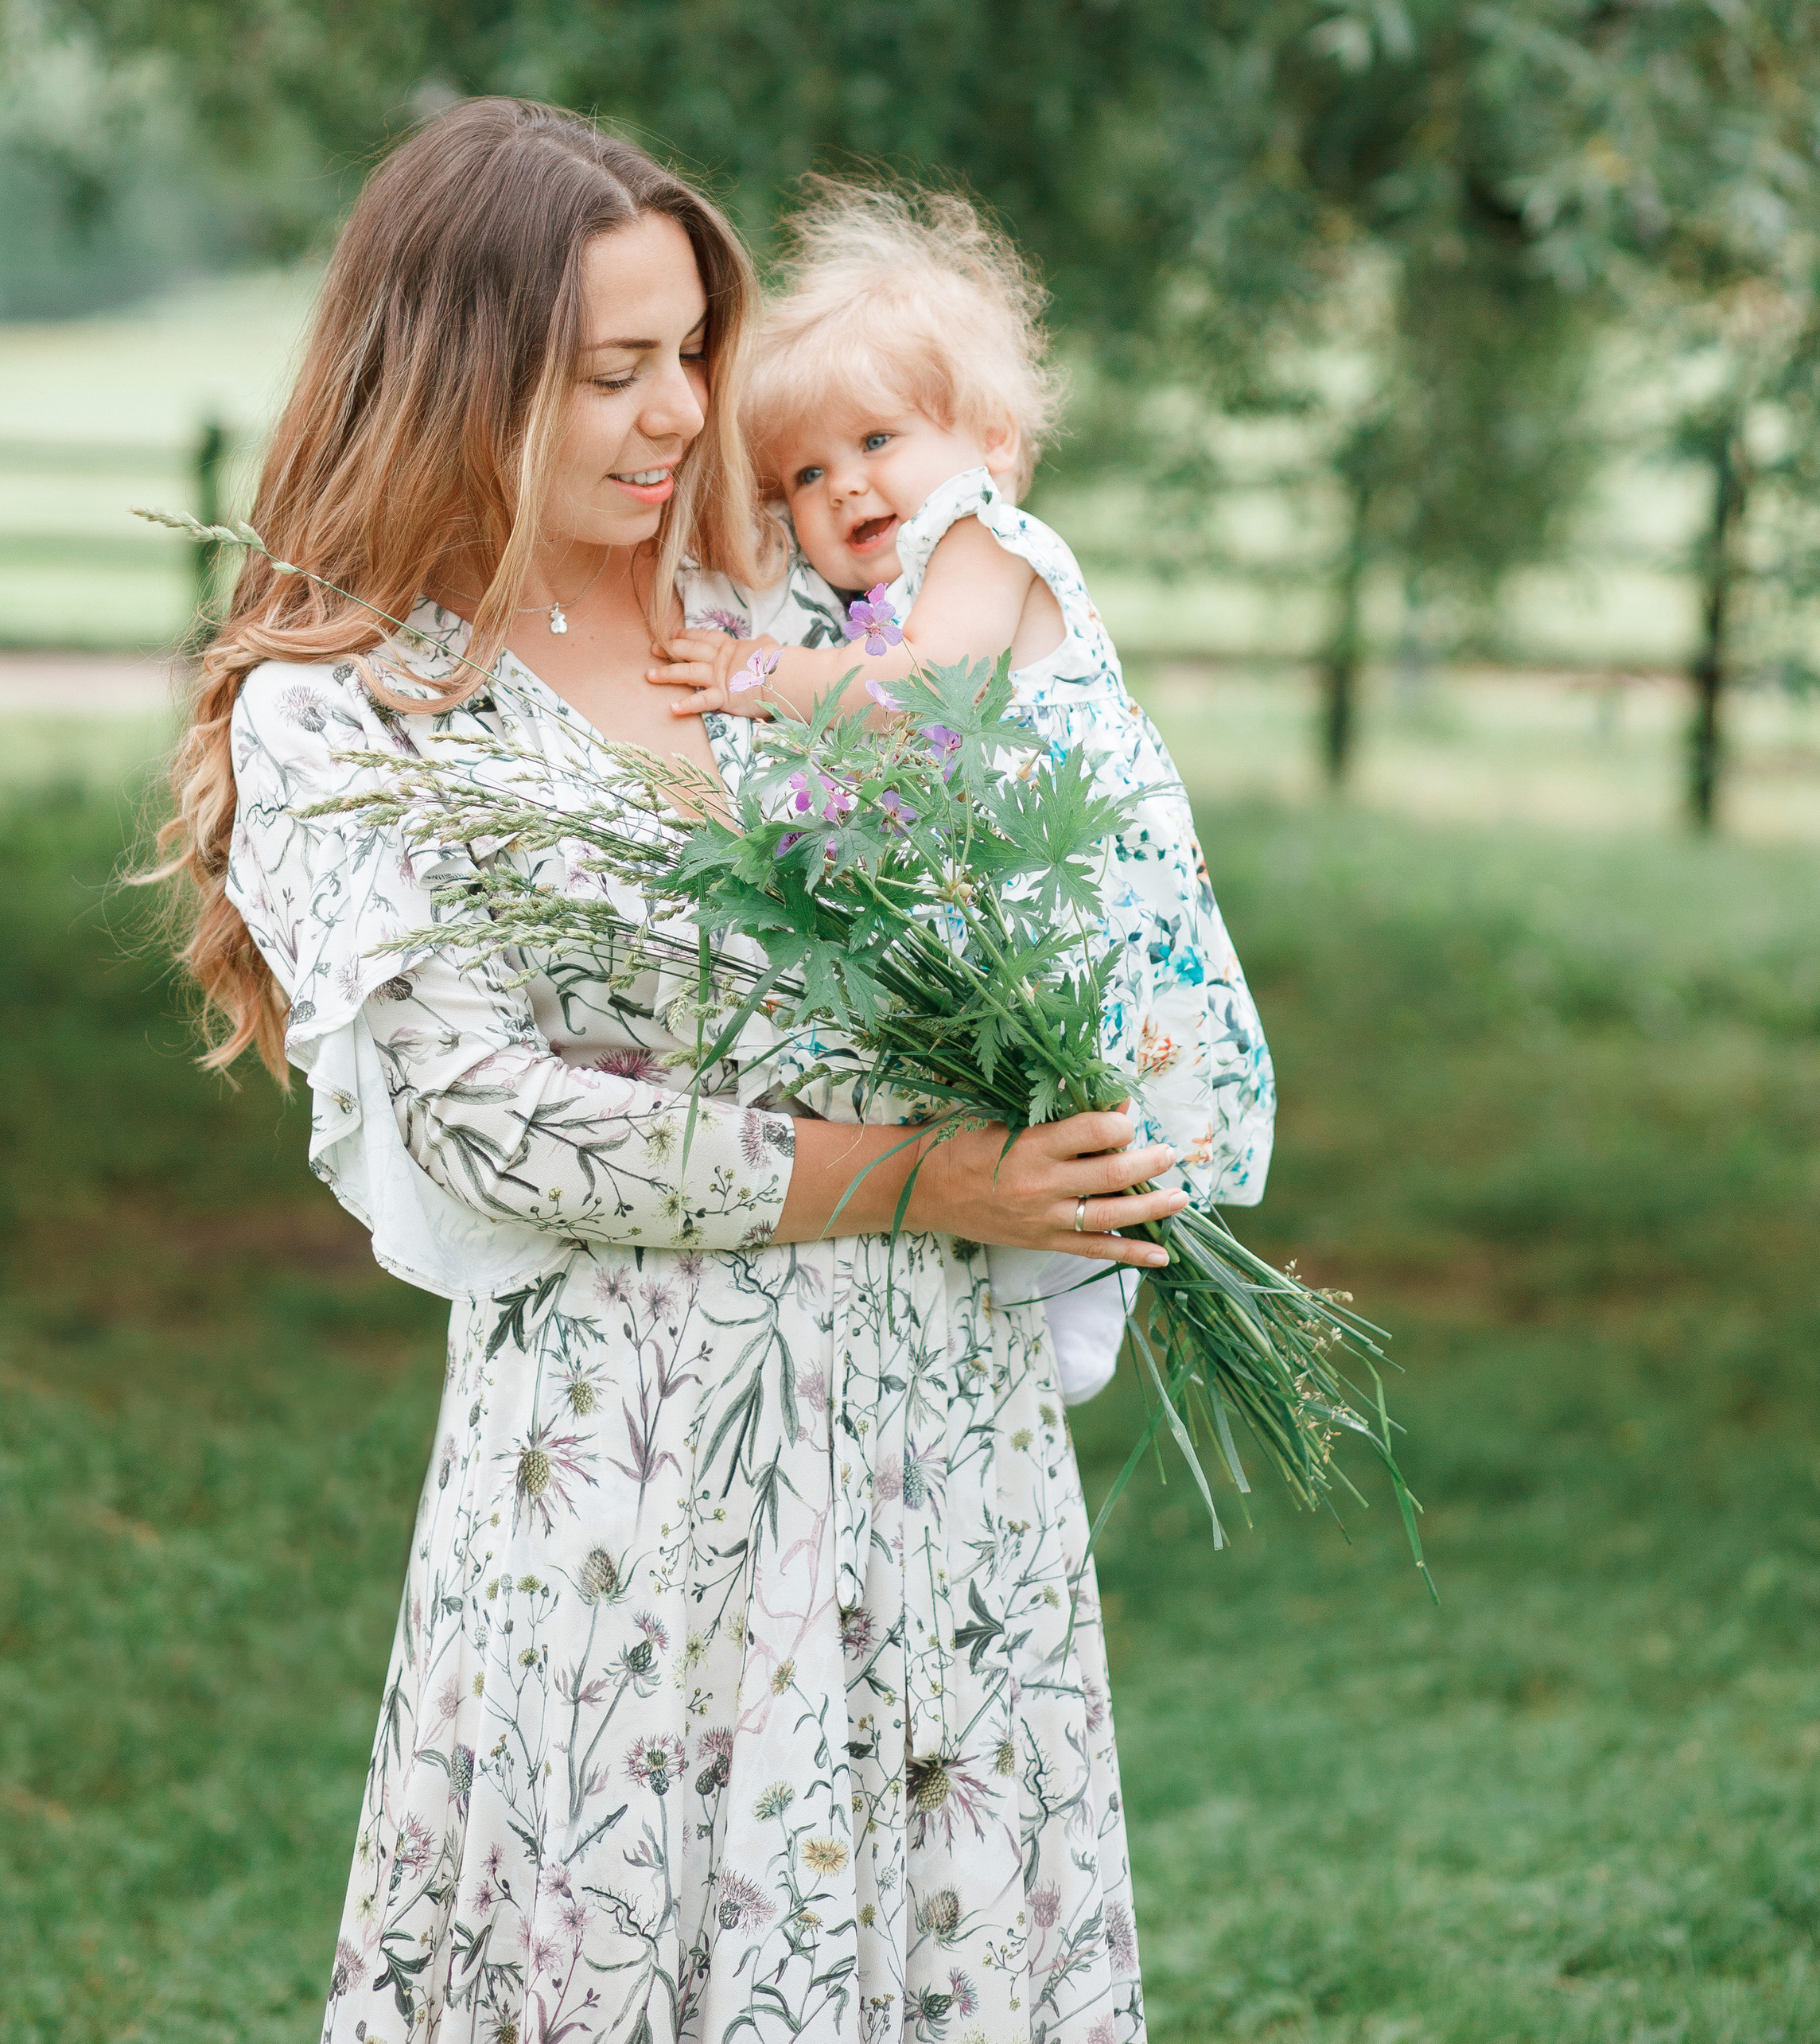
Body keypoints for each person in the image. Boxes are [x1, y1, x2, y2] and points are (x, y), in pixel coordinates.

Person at [157, 100, 1183, 2044]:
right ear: (457, 379)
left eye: (691, 354)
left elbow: (1047, 829)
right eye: (608, 372)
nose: (676, 414)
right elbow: (496, 1121)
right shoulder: (353, 712)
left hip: (937, 1443)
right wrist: (918, 1174)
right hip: (633, 1480)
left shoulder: (794, 624)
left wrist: (1086, 1057)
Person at [651, 181, 1276, 1413]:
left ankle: (1085, 1286)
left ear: (993, 438)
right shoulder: (879, 601)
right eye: (805, 477)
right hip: (1014, 902)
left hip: (1083, 884)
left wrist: (756, 676)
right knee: (1036, 1086)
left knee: (1104, 1080)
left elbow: (919, 693)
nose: (841, 490)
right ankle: (1045, 1269)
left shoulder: (986, 543)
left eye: (879, 442)